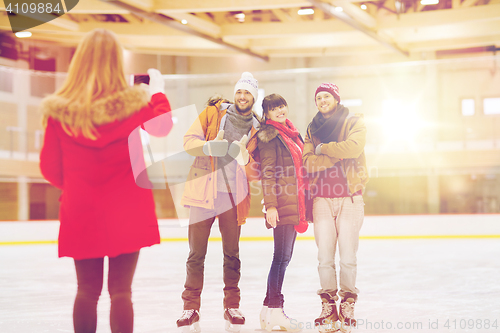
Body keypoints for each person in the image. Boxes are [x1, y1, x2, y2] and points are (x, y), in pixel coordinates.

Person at [39, 29, 172, 333]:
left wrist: (77, 186)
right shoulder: (136, 106)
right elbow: (163, 127)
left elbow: (49, 168)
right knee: (121, 292)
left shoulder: (60, 113)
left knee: (86, 291)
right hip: (128, 210)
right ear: (116, 63)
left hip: (81, 211)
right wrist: (157, 92)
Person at [177, 72, 260, 332]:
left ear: (253, 98)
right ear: (234, 94)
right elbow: (188, 141)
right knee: (196, 255)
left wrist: (246, 160)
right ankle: (190, 307)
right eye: (239, 92)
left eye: (247, 93)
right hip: (203, 193)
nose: (242, 96)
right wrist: (208, 146)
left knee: (232, 255)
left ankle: (232, 305)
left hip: (233, 198)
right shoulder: (213, 114)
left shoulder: (258, 128)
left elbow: (258, 171)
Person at [302, 83, 368, 333]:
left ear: (336, 98)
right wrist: (337, 154)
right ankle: (328, 305)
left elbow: (354, 147)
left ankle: (348, 302)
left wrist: (324, 149)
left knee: (348, 256)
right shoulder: (311, 128)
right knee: (324, 258)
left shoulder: (353, 122)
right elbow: (308, 162)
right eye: (318, 97)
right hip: (321, 199)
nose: (322, 100)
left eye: (326, 96)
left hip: (350, 197)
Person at [256, 94, 308, 332]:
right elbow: (267, 172)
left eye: (282, 106)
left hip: (294, 202)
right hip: (282, 204)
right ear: (266, 114)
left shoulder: (291, 133)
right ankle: (275, 308)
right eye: (274, 108)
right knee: (281, 258)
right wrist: (271, 205)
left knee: (283, 258)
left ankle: (268, 309)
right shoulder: (269, 136)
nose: (280, 110)